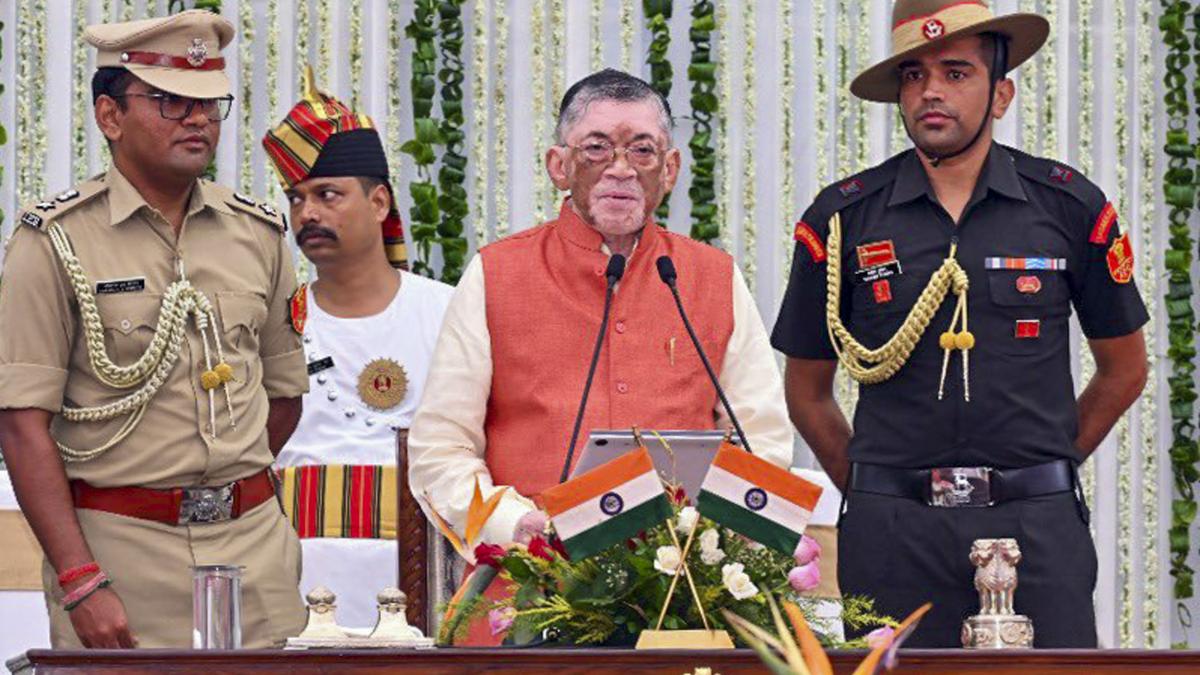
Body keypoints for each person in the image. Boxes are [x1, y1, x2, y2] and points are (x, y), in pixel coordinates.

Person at [772, 0, 1148, 648]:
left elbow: (1125, 369)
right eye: (913, 75)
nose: (931, 92)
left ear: (1001, 94)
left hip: (1035, 531)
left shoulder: (1069, 206)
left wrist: (1040, 470)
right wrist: (877, 488)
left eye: (955, 72)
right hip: (893, 538)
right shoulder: (841, 220)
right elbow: (806, 390)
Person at [0, 11, 307, 648]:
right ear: (110, 116)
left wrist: (220, 485)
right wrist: (80, 579)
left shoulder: (258, 233)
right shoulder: (53, 241)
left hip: (254, 554)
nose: (198, 120)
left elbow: (283, 395)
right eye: (171, 101)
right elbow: (21, 424)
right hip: (121, 561)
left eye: (209, 104)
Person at [409, 68, 792, 555]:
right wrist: (516, 525)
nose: (621, 169)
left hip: (681, 582)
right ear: (559, 166)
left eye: (642, 150)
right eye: (596, 148)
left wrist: (716, 542)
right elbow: (440, 448)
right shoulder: (496, 273)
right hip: (531, 574)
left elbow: (763, 441)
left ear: (669, 169)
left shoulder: (711, 276)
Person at [262, 68, 454, 629]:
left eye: (328, 195)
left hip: (426, 586)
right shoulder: (274, 321)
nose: (308, 214)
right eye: (296, 199)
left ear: (379, 202)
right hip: (295, 587)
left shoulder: (448, 312)